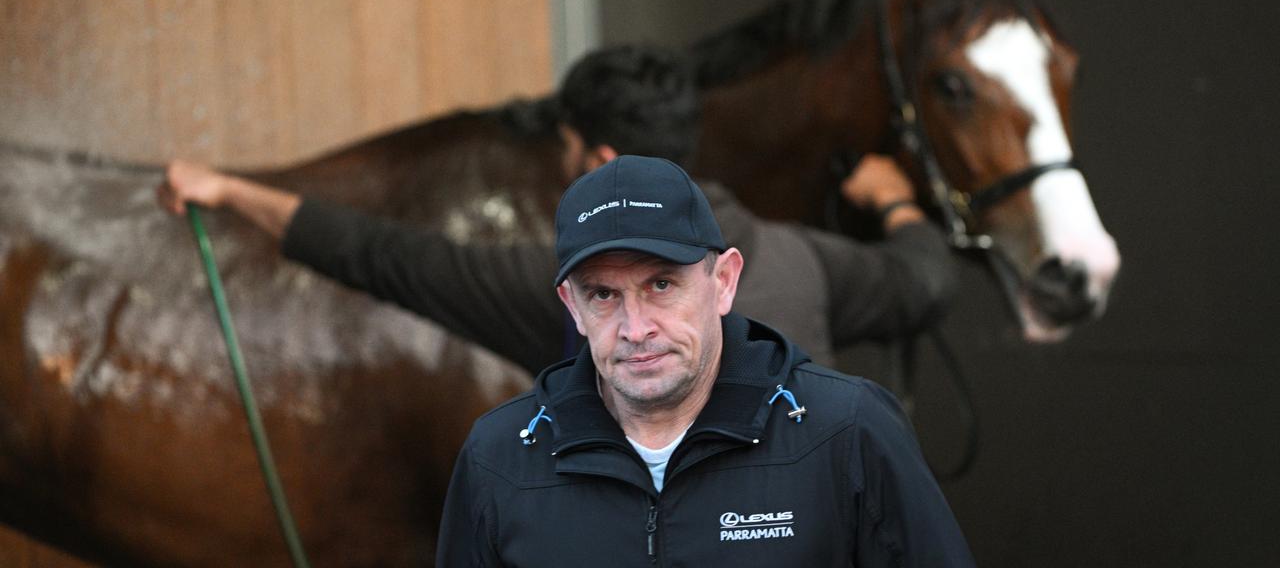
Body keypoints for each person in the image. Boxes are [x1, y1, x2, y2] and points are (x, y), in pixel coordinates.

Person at [157, 46, 954, 374]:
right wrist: (892, 202)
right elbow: (924, 283)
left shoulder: (578, 302)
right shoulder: (804, 259)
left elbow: (385, 256)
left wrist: (230, 191)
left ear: (602, 162)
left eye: (571, 159)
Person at [434, 154, 975, 566]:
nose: (636, 328)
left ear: (724, 282)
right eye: (603, 295)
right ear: (571, 307)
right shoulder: (499, 460)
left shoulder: (846, 432)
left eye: (661, 284)